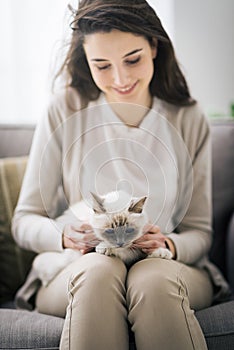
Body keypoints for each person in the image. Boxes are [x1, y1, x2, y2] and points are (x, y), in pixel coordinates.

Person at [12, 1, 230, 349]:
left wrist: (168, 245)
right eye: (102, 66)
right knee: (100, 270)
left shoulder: (187, 118)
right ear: (86, 60)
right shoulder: (65, 110)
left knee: (152, 278)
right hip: (78, 268)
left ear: (154, 47)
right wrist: (66, 236)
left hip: (166, 268)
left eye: (133, 59)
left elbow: (199, 232)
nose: (120, 79)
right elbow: (24, 220)